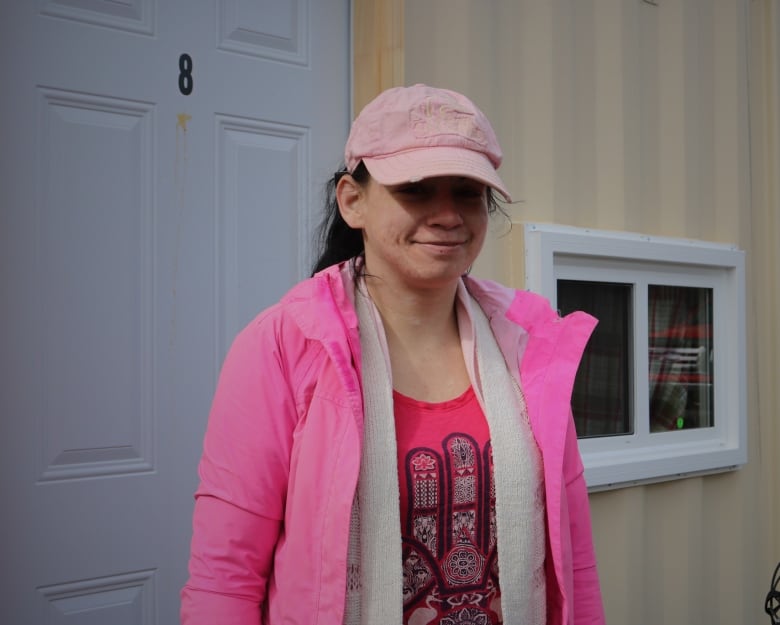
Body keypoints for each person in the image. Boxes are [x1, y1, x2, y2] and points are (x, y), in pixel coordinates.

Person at [181, 83, 606, 625]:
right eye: (417, 189)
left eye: (467, 191)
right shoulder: (285, 346)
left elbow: (576, 563)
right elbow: (225, 578)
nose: (448, 214)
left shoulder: (530, 348)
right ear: (352, 201)